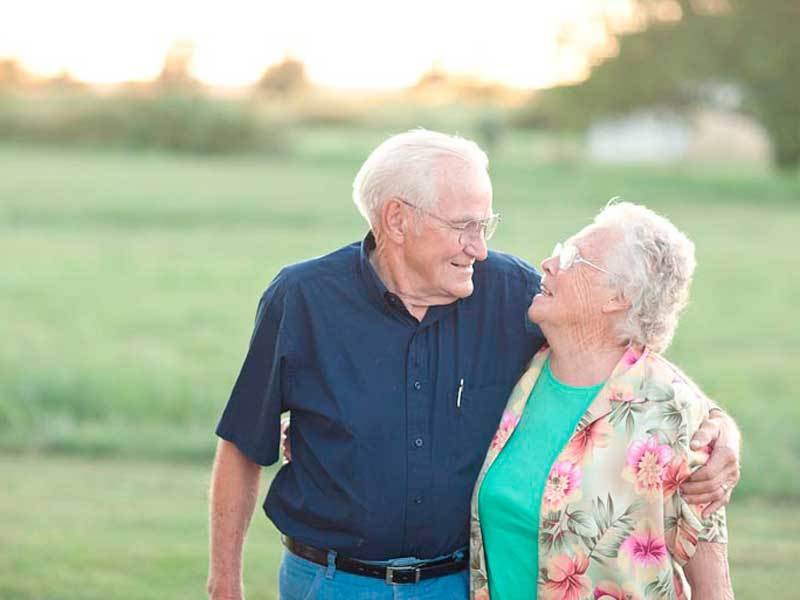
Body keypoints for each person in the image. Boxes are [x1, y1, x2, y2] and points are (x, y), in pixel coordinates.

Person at [207, 130, 740, 600]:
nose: (479, 249)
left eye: (486, 225)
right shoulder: (302, 300)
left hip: (457, 584)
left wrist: (718, 426)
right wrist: (224, 583)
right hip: (328, 583)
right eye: (464, 227)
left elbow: (623, 355)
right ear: (397, 219)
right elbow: (242, 444)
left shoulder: (513, 295)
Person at [471, 201, 734, 600]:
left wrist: (725, 428)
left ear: (619, 297)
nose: (548, 263)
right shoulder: (519, 372)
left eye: (573, 258)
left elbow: (714, 590)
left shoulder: (674, 414)